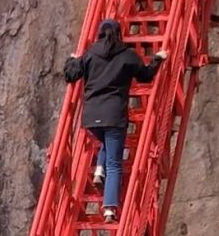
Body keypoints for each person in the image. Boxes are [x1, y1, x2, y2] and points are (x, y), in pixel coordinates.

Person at [64, 22, 167, 222]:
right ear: (119, 34)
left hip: (92, 118)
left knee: (106, 143)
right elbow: (145, 76)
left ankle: (99, 169)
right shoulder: (127, 55)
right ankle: (109, 208)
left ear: (100, 34)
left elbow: (70, 75)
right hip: (114, 116)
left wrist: (71, 60)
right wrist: (157, 59)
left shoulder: (90, 54)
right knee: (114, 162)